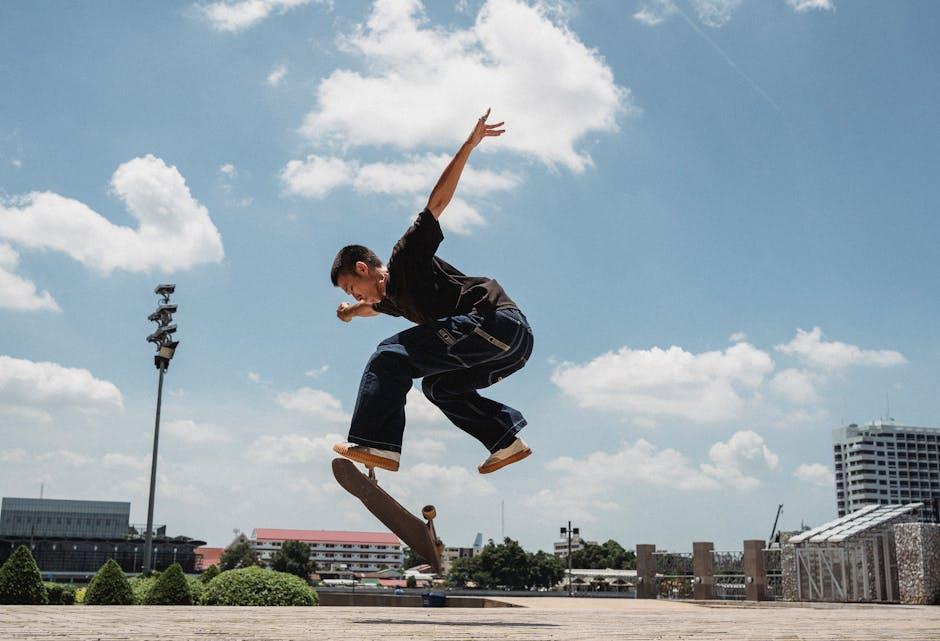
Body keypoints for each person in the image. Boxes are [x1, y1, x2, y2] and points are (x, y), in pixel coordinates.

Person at [330, 109, 533, 474]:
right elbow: (375, 308)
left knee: (389, 356)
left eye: (353, 288)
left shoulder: (405, 258)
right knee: (439, 388)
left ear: (363, 268)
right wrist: (349, 311)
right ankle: (505, 441)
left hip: (494, 323)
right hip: (511, 348)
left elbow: (436, 205)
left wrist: (469, 146)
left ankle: (377, 443)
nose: (357, 295)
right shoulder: (393, 300)